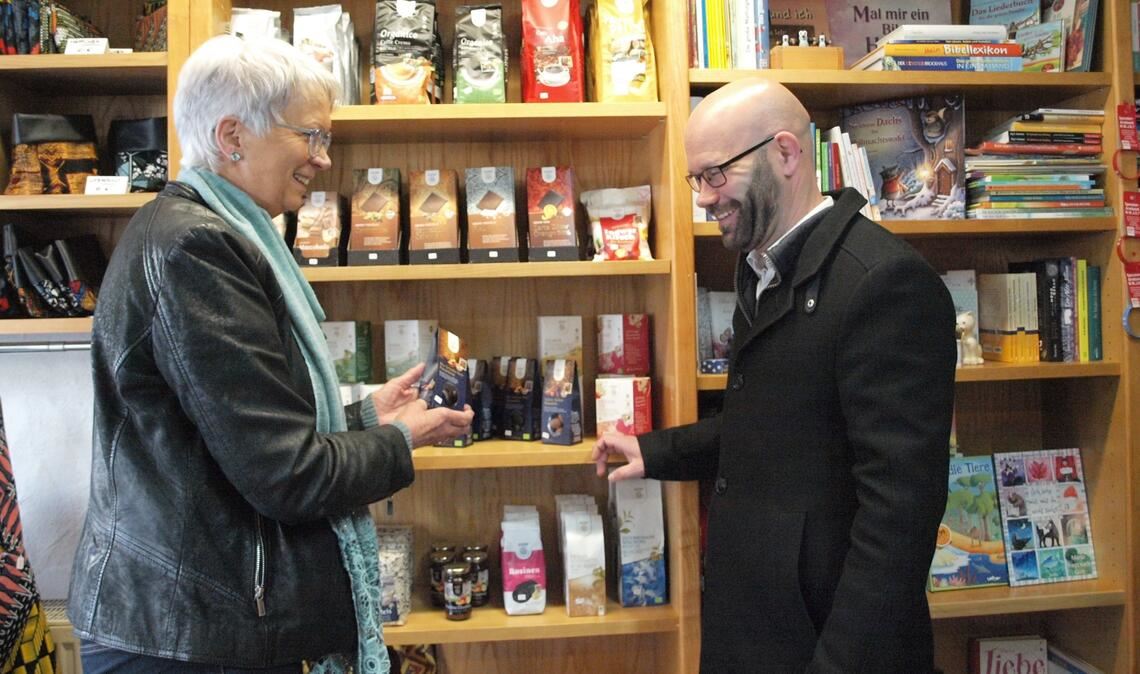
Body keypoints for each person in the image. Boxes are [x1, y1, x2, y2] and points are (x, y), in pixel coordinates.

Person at [67, 35, 473, 674]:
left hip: (196, 619)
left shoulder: (207, 233)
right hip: (188, 635)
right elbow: (287, 474)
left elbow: (232, 425)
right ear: (233, 135)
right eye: (310, 137)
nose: (322, 159)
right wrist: (400, 439)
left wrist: (365, 415)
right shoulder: (195, 249)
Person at [593, 79, 956, 672]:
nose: (704, 199)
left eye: (715, 175)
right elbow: (774, 423)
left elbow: (900, 519)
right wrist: (655, 450)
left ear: (785, 154)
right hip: (756, 629)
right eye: (696, 180)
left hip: (823, 646)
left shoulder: (883, 284)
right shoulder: (763, 268)